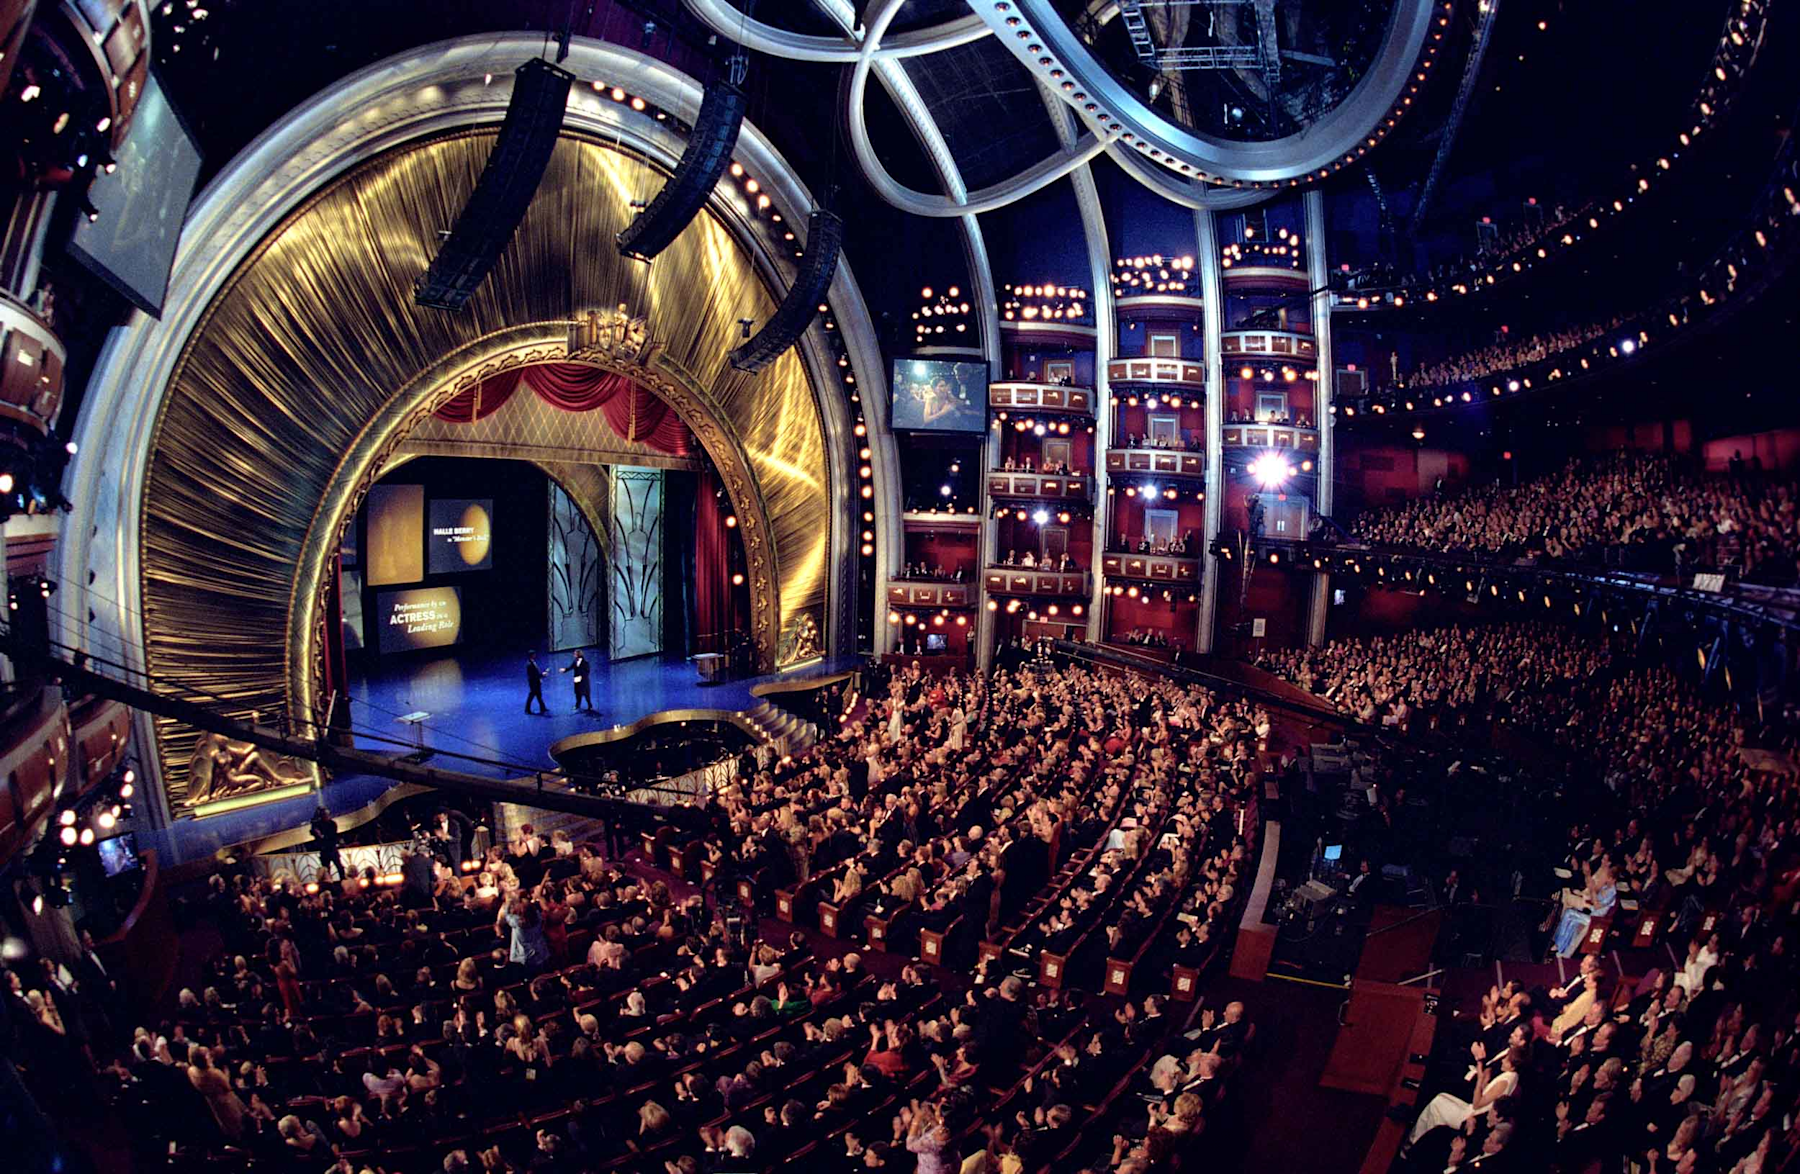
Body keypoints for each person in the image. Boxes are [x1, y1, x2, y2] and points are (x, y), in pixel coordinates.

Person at [309, 803, 343, 882]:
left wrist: (321, 836)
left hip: (332, 848)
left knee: (339, 867)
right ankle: (328, 882)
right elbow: (312, 832)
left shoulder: (332, 824)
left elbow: (331, 836)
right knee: (326, 869)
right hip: (324, 850)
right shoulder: (318, 824)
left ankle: (342, 880)